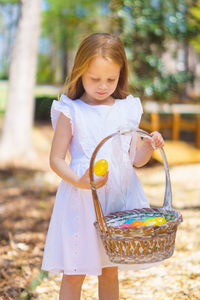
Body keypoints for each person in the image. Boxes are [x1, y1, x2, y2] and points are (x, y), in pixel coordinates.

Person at [41, 33, 164, 300]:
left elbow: (134, 160)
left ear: (122, 74)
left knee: (110, 269)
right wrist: (79, 181)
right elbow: (56, 159)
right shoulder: (70, 110)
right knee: (74, 271)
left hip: (117, 203)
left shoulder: (126, 109)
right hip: (82, 200)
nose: (102, 86)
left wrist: (148, 146)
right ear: (80, 71)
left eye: (111, 79)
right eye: (94, 78)